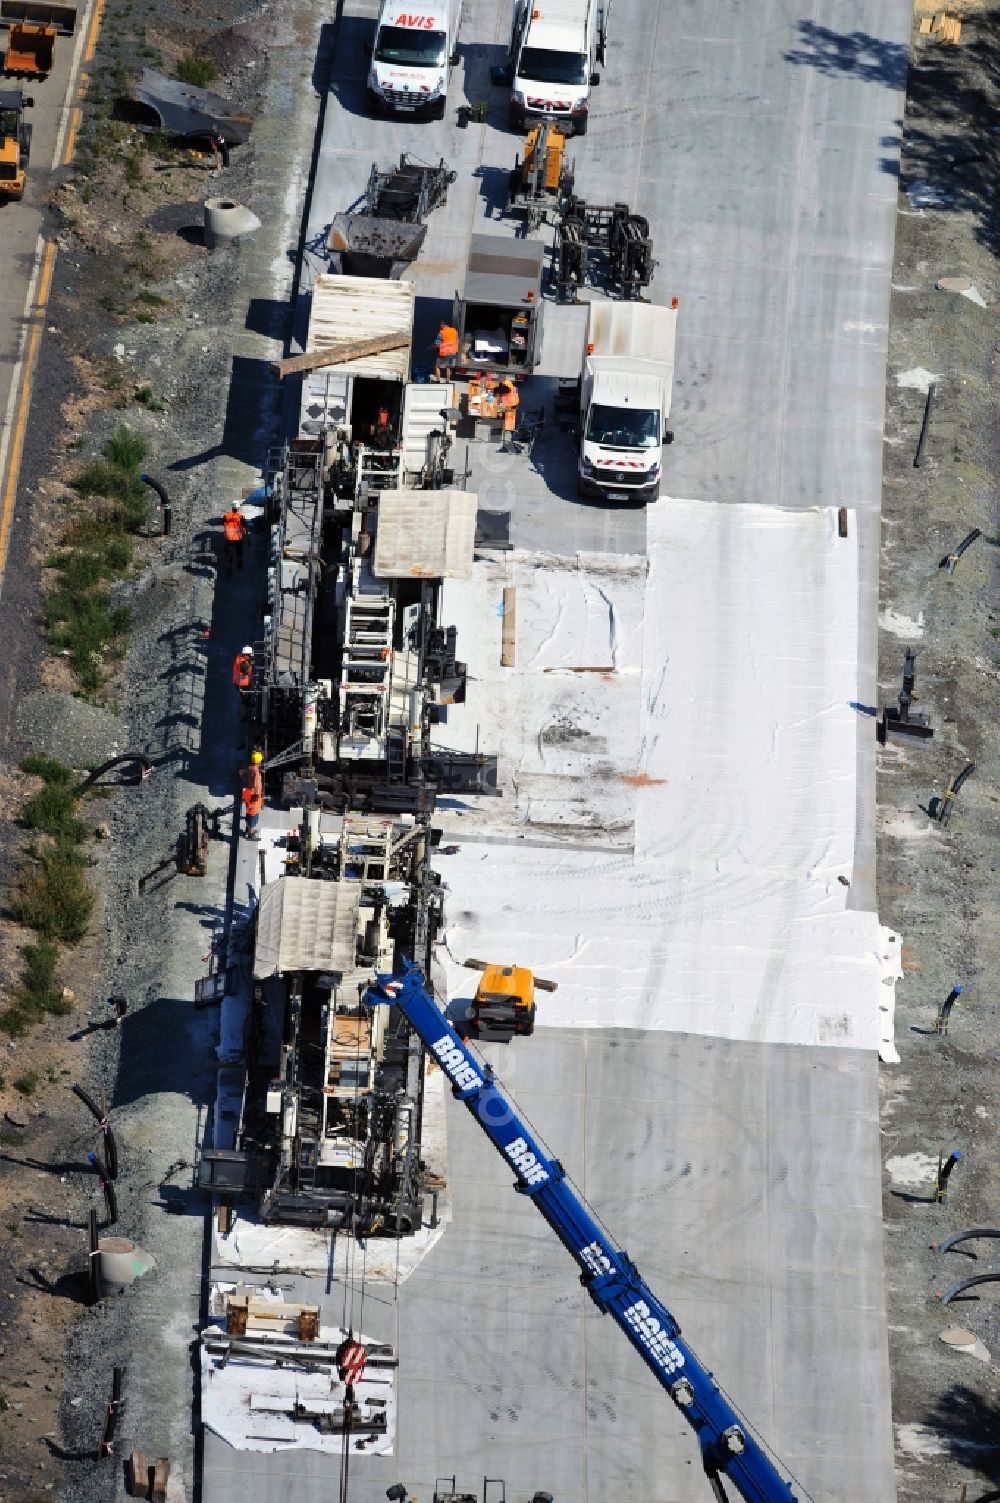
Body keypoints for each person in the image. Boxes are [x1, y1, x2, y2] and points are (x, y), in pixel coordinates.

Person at [240, 750, 264, 840]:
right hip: (253, 795)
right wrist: (257, 795)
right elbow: (257, 784)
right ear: (258, 762)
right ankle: (251, 833)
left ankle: (247, 829)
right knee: (253, 814)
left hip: (247, 791)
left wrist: (246, 781)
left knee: (248, 811)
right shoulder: (256, 772)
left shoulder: (249, 768)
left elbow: (241, 773)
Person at [222, 502, 246, 574]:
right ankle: (239, 563)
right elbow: (244, 526)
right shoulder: (240, 516)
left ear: (232, 508)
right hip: (238, 538)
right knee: (239, 551)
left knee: (229, 554)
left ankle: (229, 569)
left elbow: (222, 522)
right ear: (238, 508)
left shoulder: (226, 516)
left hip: (229, 538)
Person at [499, 377, 520, 449]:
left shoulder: (511, 399)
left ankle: (508, 442)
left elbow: (508, 407)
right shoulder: (507, 384)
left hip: (512, 408)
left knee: (509, 424)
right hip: (510, 405)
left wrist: (502, 407)